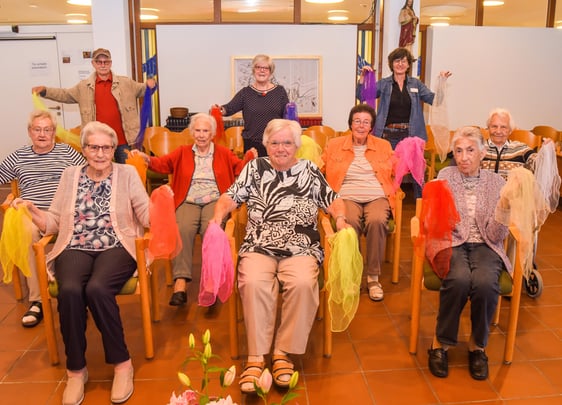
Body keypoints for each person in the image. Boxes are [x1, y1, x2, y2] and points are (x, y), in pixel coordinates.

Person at [13, 121, 150, 404]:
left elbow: (146, 216)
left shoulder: (127, 174)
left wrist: (162, 203)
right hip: (74, 244)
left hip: (116, 245)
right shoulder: (70, 175)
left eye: (106, 147)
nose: (100, 153)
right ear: (84, 149)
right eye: (93, 147)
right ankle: (76, 370)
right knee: (70, 290)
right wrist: (32, 210)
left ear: (114, 149)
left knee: (98, 289)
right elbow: (54, 222)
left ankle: (122, 364)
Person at [210, 119, 348, 394]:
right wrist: (218, 216)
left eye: (287, 143)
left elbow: (332, 198)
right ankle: (256, 357)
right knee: (253, 283)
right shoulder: (254, 167)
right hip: (259, 245)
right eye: (275, 143)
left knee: (302, 284)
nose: (281, 148)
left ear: (296, 146)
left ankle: (283, 352)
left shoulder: (308, 169)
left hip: (301, 246)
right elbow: (231, 196)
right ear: (266, 145)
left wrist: (341, 219)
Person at [130, 113, 257, 306]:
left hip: (214, 200)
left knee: (211, 230)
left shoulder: (223, 153)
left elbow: (240, 169)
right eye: (197, 130)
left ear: (212, 133)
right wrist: (145, 158)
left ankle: (210, 282)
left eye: (205, 130)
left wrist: (249, 157)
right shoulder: (182, 152)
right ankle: (180, 282)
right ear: (192, 132)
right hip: (187, 200)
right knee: (182, 228)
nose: (201, 134)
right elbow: (162, 164)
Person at [427, 126, 510, 381]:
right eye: (459, 151)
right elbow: (438, 222)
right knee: (459, 279)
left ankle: (477, 347)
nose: (463, 157)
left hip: (486, 244)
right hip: (451, 241)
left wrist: (505, 209)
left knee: (485, 283)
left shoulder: (497, 183)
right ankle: (441, 344)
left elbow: (497, 235)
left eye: (470, 151)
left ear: (483, 153)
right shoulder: (445, 176)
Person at [0, 110, 85, 328]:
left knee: (81, 225)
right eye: (37, 129)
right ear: (29, 132)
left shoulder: (68, 152)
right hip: (30, 210)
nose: (42, 134)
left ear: (54, 133)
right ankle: (38, 300)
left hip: (63, 210)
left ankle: (76, 293)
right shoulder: (19, 156)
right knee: (27, 233)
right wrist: (10, 201)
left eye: (47, 130)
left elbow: (88, 175)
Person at [322, 104, 396, 302]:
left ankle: (373, 277)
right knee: (348, 225)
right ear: (350, 124)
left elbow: (396, 170)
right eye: (357, 121)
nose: (361, 126)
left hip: (377, 195)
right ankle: (352, 277)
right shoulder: (334, 145)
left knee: (378, 221)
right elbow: (319, 167)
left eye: (366, 122)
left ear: (371, 126)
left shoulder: (383, 146)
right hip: (347, 195)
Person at [31, 48, 157, 164]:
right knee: (99, 176)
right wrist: (45, 91)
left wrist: (151, 84)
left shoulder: (126, 83)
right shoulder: (83, 87)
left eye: (106, 62)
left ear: (110, 63)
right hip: (97, 143)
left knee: (126, 176)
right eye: (99, 62)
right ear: (93, 64)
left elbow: (143, 89)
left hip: (123, 142)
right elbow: (64, 94)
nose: (103, 65)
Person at [373, 47, 451, 198]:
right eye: (397, 60)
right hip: (388, 136)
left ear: (409, 65)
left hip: (412, 136)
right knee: (388, 171)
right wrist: (364, 78)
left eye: (404, 61)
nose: (400, 64)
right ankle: (389, 204)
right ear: (391, 64)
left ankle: (420, 207)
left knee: (418, 174)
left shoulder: (416, 84)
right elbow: (363, 94)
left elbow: (435, 100)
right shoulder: (383, 84)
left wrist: (441, 82)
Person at [212, 54, 289, 157]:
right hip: (252, 145)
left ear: (270, 72)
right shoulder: (245, 93)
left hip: (276, 144)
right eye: (258, 67)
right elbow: (229, 108)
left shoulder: (280, 92)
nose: (262, 70)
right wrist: (218, 110)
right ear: (253, 70)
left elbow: (287, 116)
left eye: (265, 68)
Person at [482, 108, 553, 180]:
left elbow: (537, 164)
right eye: (494, 126)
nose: (498, 131)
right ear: (488, 128)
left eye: (503, 127)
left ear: (510, 130)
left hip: (512, 191)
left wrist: (545, 151)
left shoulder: (521, 149)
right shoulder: (479, 148)